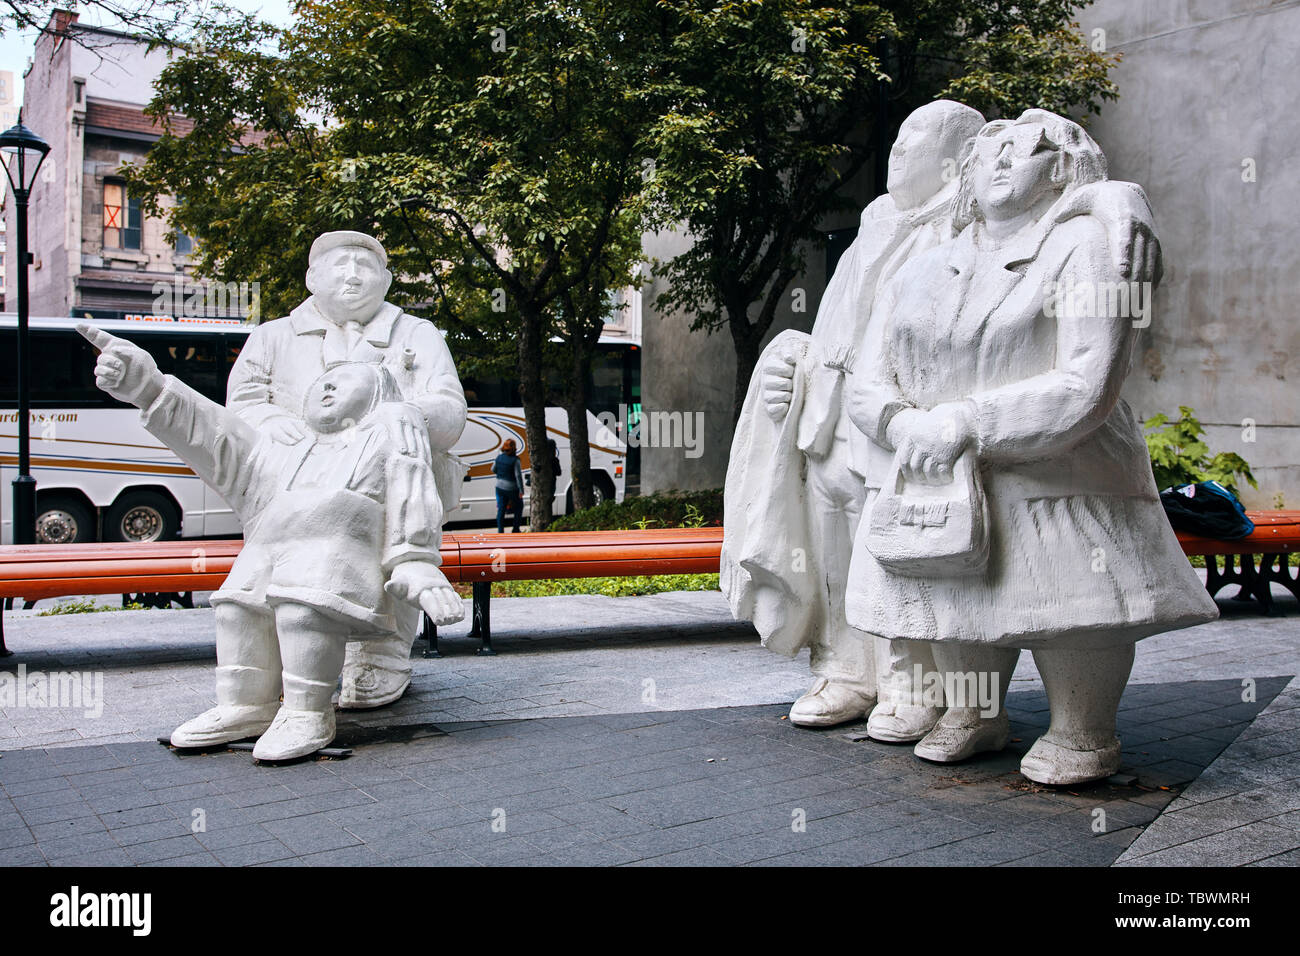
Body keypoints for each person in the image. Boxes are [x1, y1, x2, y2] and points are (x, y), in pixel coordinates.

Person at [724, 100, 1164, 741]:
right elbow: (858, 339)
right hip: (882, 429)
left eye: (913, 141)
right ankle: (902, 687)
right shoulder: (894, 234)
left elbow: (1085, 373)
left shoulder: (1050, 240)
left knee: (1039, 592)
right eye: (996, 151)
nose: (896, 152)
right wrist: (815, 372)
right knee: (912, 573)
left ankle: (1034, 718)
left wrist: (1117, 197)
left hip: (1005, 449)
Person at [844, 109, 1217, 785]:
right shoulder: (923, 267)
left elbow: (1087, 381)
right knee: (962, 594)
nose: (1004, 161)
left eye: (1029, 151)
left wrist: (969, 420)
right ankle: (974, 714)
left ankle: (1083, 730)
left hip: (1062, 473)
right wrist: (902, 425)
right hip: (947, 476)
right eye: (992, 151)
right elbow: (868, 378)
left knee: (1073, 608)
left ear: (1062, 174)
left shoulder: (1086, 248)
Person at [78, 325, 465, 760]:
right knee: (238, 610)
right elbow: (218, 436)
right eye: (324, 381)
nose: (328, 386)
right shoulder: (284, 448)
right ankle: (244, 705)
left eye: (344, 380)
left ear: (378, 395)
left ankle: (307, 711)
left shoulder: (387, 434)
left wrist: (414, 560)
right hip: (267, 553)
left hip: (335, 557)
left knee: (303, 608)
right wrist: (150, 388)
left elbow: (411, 494)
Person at [225, 231, 467, 710]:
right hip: (294, 484)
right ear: (312, 277)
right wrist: (273, 422)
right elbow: (243, 403)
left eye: (365, 264)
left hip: (387, 481)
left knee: (384, 553)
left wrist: (401, 420)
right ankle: (268, 675)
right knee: (272, 578)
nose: (353, 274)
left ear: (388, 279)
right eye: (339, 264)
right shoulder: (272, 336)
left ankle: (382, 650)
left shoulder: (417, 333)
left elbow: (450, 408)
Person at [494, 439, 525, 533]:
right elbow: (518, 475)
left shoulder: (499, 457)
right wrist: (521, 490)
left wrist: (501, 473)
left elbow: (493, 469)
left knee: (501, 509)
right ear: (514, 448)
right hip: (511, 488)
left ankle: (500, 531)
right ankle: (515, 529)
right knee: (519, 506)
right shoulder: (515, 460)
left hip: (499, 486)